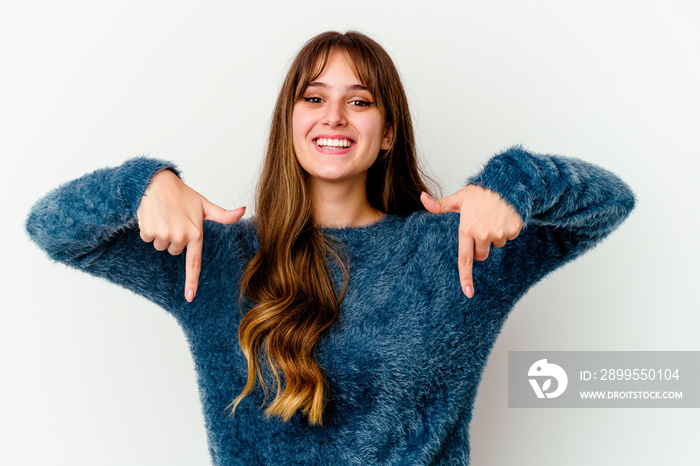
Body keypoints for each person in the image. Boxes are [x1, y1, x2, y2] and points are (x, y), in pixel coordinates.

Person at [26, 31, 635, 465]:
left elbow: (611, 201)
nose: (335, 116)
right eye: (314, 98)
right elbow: (51, 227)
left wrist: (515, 183)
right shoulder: (216, 260)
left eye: (361, 100)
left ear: (388, 131)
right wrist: (142, 184)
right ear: (289, 123)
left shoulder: (454, 250)